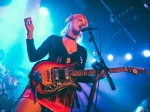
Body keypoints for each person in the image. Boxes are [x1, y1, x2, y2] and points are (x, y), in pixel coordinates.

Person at [14, 14, 105, 112]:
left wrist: (95, 77)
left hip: (62, 97)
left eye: (85, 23)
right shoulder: (54, 39)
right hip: (41, 87)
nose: (83, 23)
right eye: (80, 20)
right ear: (70, 21)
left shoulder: (82, 51)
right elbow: (33, 57)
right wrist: (30, 33)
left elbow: (78, 76)